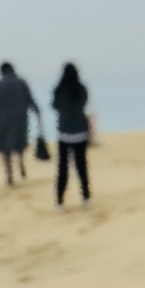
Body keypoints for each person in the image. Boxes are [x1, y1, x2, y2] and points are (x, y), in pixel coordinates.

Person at [0, 61, 42, 185]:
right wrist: (37, 113)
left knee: (5, 149)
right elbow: (30, 99)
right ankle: (20, 163)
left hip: (3, 121)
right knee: (20, 144)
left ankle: (9, 175)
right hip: (20, 120)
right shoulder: (22, 83)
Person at [52, 63, 92, 206]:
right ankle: (86, 197)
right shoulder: (81, 89)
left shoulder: (58, 90)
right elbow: (84, 104)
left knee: (63, 168)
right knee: (82, 167)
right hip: (80, 132)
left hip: (64, 132)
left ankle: (59, 200)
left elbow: (54, 106)